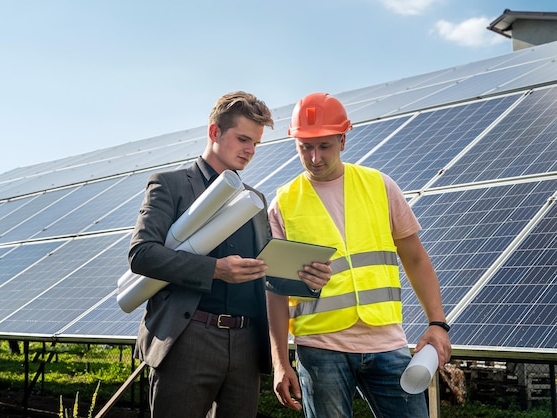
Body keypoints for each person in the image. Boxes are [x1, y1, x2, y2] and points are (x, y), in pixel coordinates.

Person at [265, 92, 452, 418]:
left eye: (324, 146)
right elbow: (277, 292)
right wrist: (280, 362)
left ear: (343, 140)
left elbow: (416, 258)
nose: (314, 157)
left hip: (387, 343)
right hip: (320, 347)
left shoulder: (380, 186)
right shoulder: (283, 204)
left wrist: (438, 323)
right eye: (305, 147)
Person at [128, 91, 275, 418]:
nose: (250, 150)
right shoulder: (171, 185)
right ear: (214, 132)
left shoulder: (255, 200)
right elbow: (142, 254)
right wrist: (214, 269)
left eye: (255, 143)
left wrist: (304, 276)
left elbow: (266, 267)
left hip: (246, 344)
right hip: (187, 339)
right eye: (242, 139)